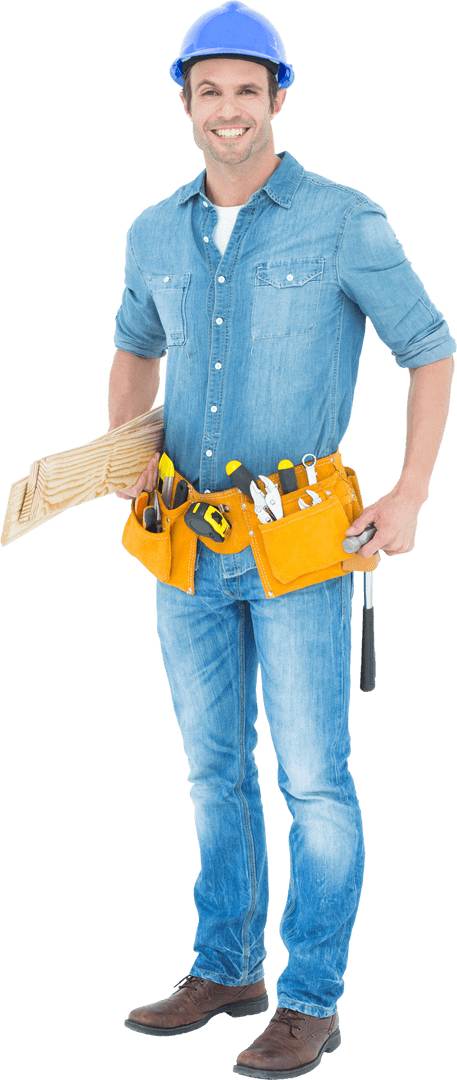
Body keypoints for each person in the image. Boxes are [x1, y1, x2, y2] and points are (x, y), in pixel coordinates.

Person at [107, 3, 455, 1076]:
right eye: (207, 92)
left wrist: (407, 496)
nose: (226, 111)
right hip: (184, 546)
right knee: (213, 771)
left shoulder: (346, 218)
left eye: (245, 91)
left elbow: (431, 352)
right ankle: (225, 968)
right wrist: (127, 463)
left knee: (311, 779)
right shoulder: (153, 230)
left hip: (304, 543)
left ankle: (309, 996)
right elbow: (132, 352)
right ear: (185, 101)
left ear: (277, 98)